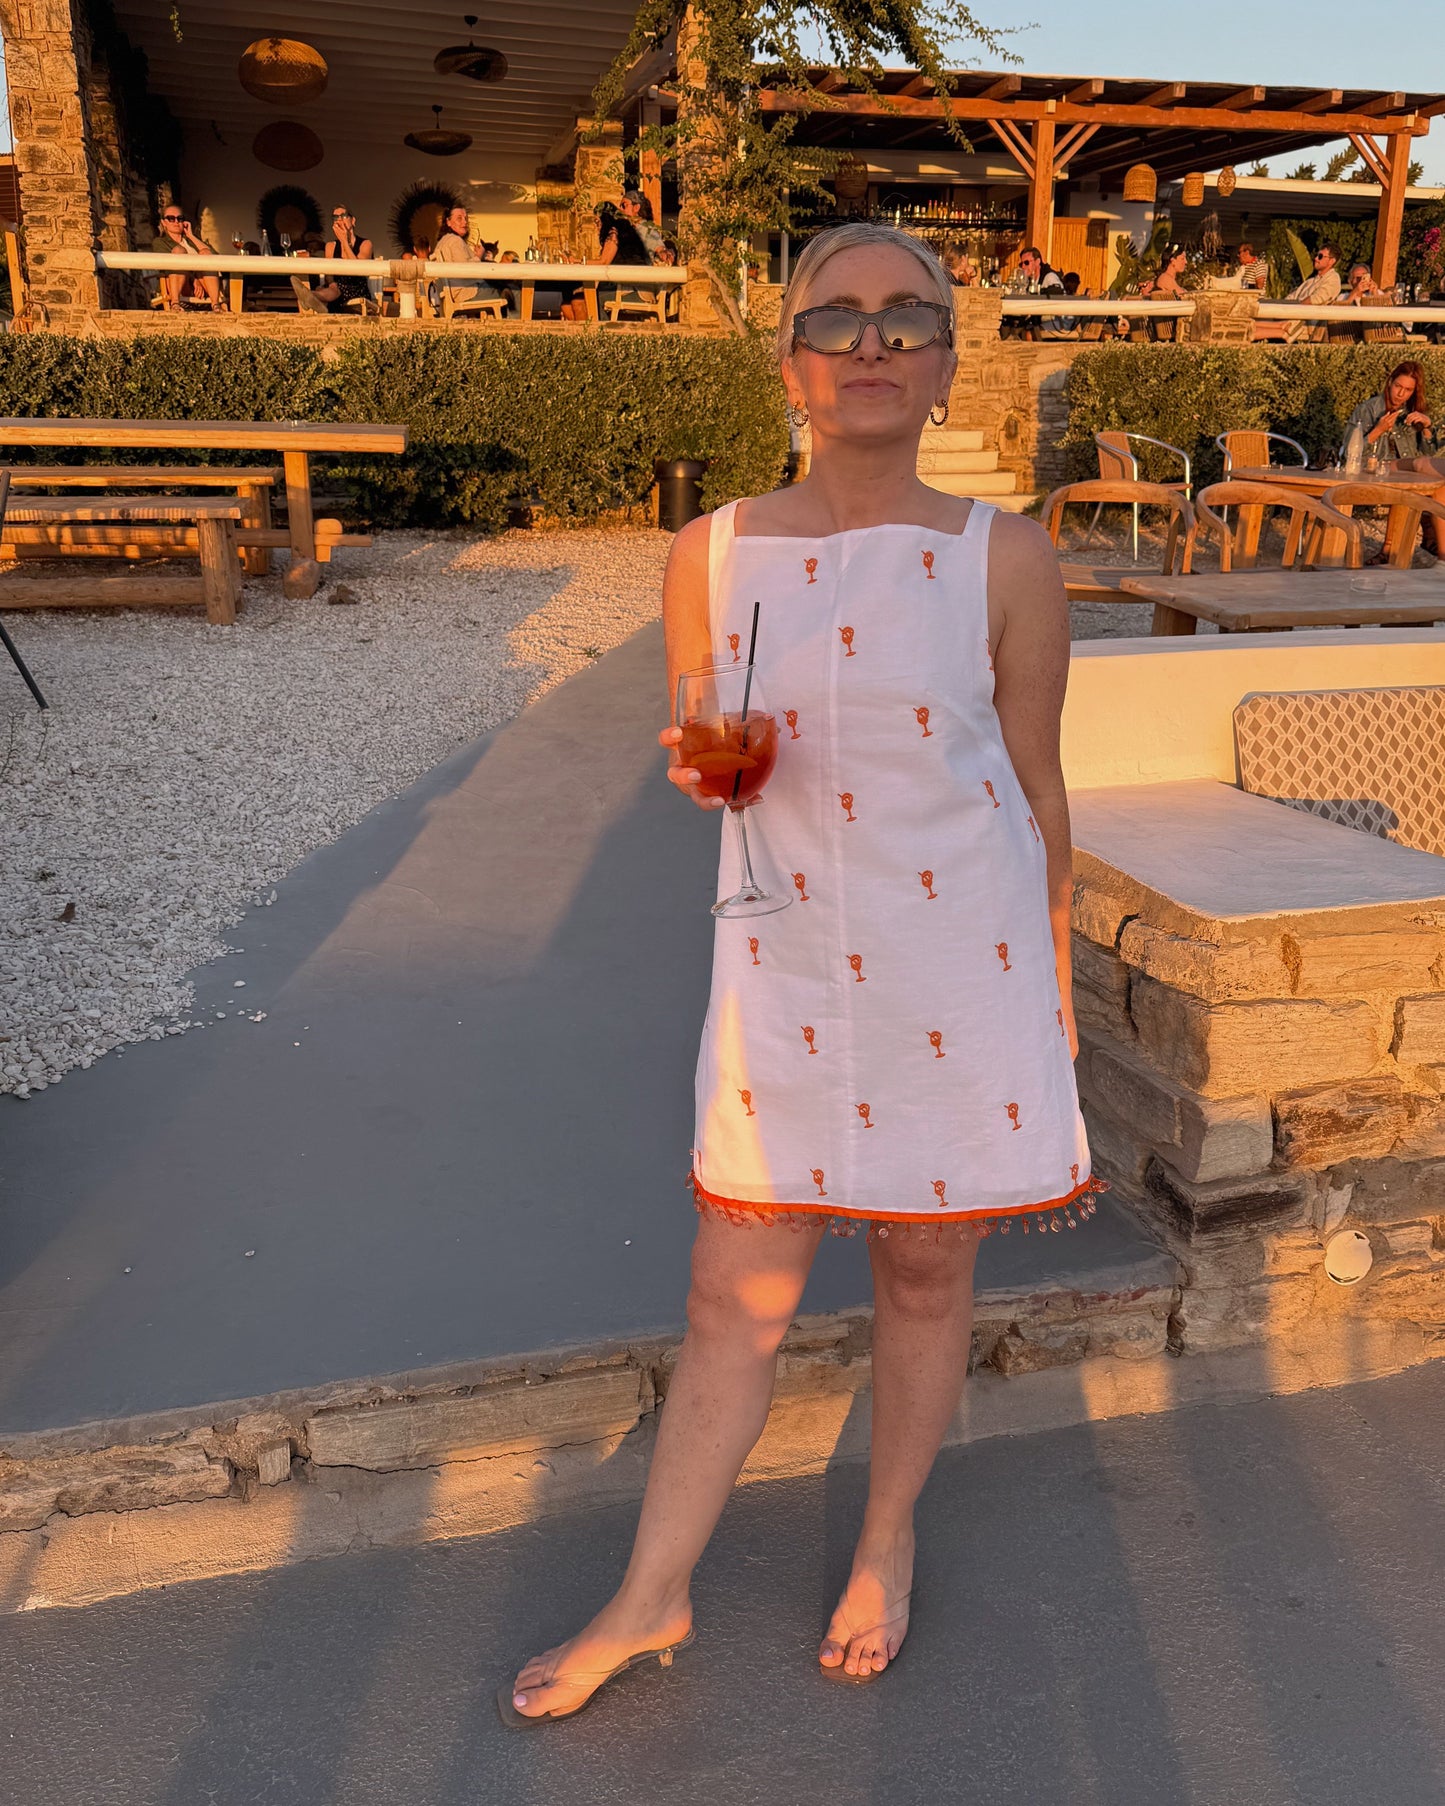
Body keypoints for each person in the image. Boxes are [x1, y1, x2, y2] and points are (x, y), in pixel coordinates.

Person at [502, 219, 1099, 1725]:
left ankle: (885, 1541)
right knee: (733, 1292)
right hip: (782, 968)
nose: (874, 340)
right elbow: (712, 740)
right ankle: (652, 1593)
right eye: (837, 318)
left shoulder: (1003, 557)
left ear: (950, 361)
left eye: (909, 315)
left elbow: (1035, 786)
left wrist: (1055, 988)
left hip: (956, 965)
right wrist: (704, 779)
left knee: (920, 1264)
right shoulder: (705, 554)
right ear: (790, 364)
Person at [1346, 361, 1441, 554]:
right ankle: (1424, 545)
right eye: (1398, 386)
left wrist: (1427, 428)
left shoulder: (1411, 411)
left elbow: (1428, 452)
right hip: (1374, 467)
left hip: (1405, 470)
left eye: (1407, 390)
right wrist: (1378, 430)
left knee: (1439, 484)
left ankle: (1438, 550)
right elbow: (1349, 453)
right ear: (1390, 382)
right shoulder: (1369, 409)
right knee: (1421, 464)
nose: (1401, 394)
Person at [291, 205, 375, 315]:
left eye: (343, 216)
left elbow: (358, 269)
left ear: (352, 220)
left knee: (335, 290)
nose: (339, 220)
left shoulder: (365, 244)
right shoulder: (330, 246)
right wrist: (331, 282)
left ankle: (311, 296)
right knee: (332, 288)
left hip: (356, 288)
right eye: (336, 217)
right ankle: (311, 297)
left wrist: (344, 241)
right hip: (335, 287)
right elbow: (329, 272)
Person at [431, 203, 501, 312]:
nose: (464, 222)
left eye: (465, 218)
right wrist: (478, 256)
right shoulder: (455, 241)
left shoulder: (443, 241)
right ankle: (519, 326)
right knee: (511, 291)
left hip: (455, 293)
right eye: (459, 219)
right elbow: (465, 271)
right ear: (448, 222)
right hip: (465, 293)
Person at [152, 205, 223, 311]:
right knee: (179, 251)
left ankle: (215, 305)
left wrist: (191, 236)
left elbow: (213, 257)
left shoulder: (191, 241)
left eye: (179, 218)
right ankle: (175, 303)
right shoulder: (160, 242)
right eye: (171, 218)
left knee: (205, 252)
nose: (176, 222)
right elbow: (166, 266)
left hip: (204, 283)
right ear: (163, 222)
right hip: (180, 284)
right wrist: (193, 280)